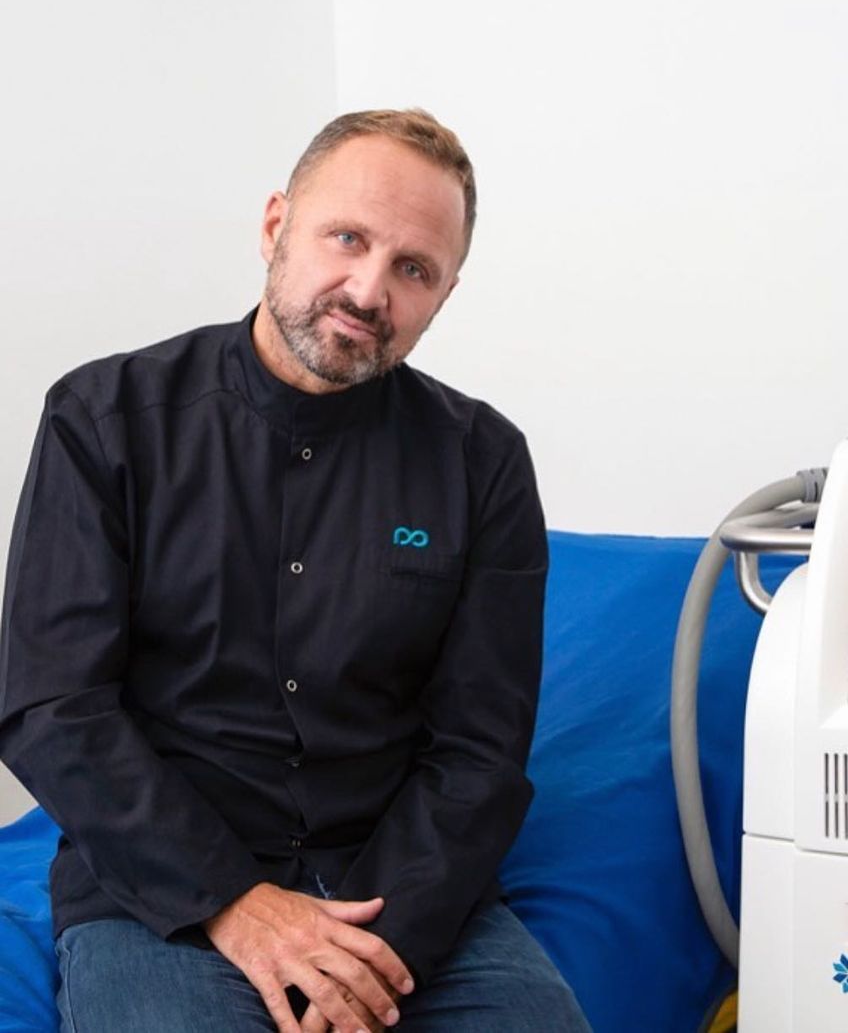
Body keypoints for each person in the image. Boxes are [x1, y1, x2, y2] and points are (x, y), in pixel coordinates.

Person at [0, 109, 591, 1033]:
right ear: (276, 225)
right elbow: (52, 704)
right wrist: (238, 904)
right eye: (347, 237)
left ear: (445, 293)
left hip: (398, 889)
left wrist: (366, 952)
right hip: (163, 893)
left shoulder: (484, 461)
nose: (368, 289)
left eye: (414, 269)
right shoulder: (103, 418)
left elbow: (480, 749)